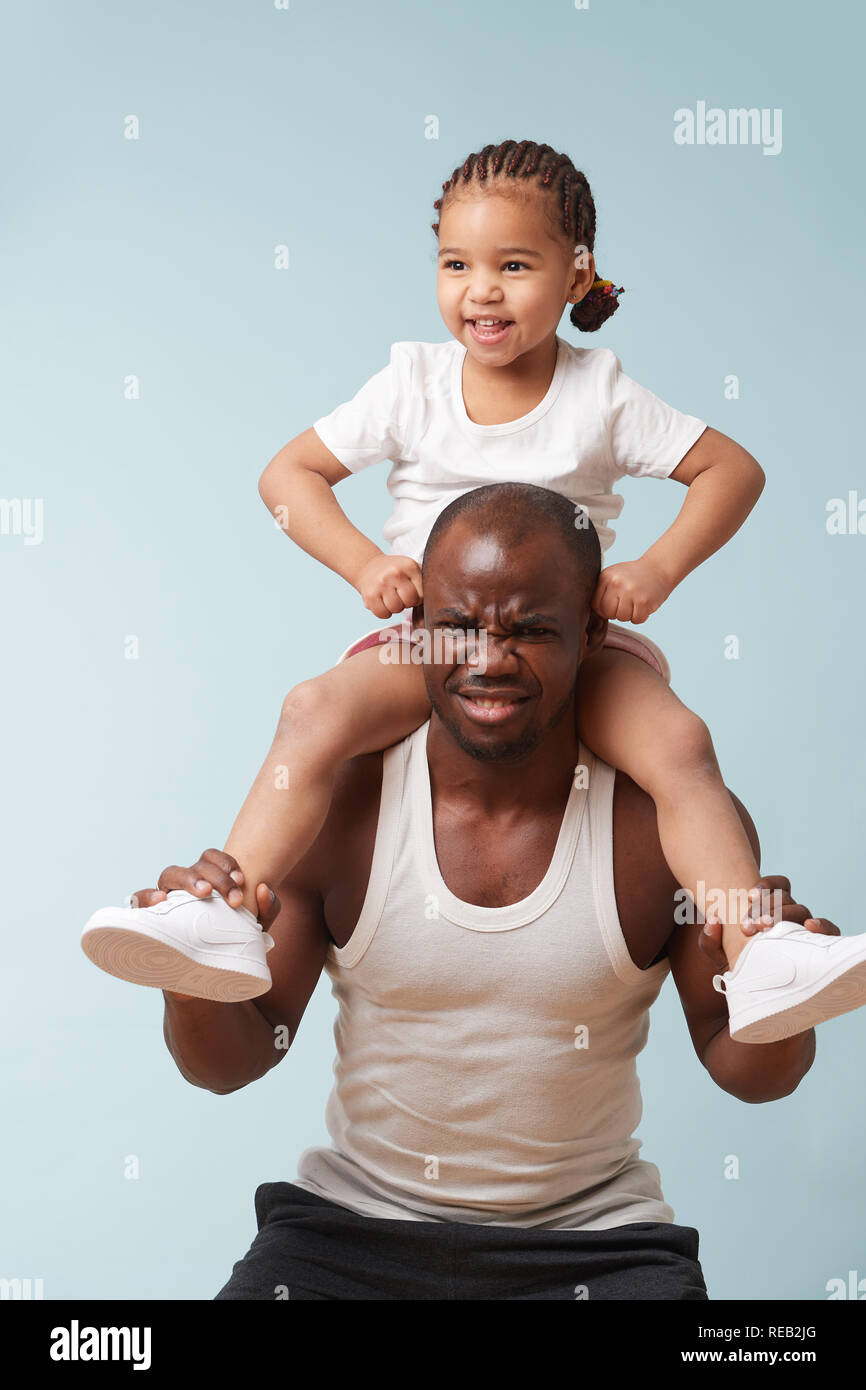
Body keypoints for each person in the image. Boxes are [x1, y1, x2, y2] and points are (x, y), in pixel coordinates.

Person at [80, 137, 866, 1044]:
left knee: (681, 745)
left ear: (578, 275)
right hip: (428, 645)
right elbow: (287, 475)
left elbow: (734, 470)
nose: (480, 290)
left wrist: (656, 568)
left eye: (514, 265)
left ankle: (757, 948)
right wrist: (365, 566)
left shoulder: (599, 392)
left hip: (574, 649)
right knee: (311, 711)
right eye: (457, 264)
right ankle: (222, 913)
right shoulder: (412, 383)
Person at [137, 486, 849, 1301]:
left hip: (598, 1251)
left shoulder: (666, 827)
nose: (488, 661)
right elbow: (232, 1061)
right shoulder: (340, 807)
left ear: (592, 636)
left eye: (532, 630)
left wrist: (783, 1008)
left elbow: (749, 1070)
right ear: (413, 636)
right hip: (350, 1238)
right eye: (458, 627)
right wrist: (188, 976)